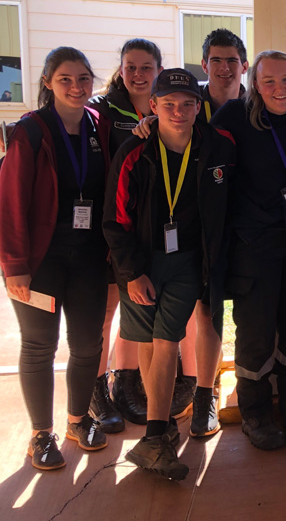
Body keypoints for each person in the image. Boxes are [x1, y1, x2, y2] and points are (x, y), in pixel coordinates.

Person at [103, 69, 234, 480]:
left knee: (166, 339)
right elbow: (115, 220)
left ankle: (157, 435)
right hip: (142, 262)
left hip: (190, 261)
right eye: (169, 104)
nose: (178, 112)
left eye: (188, 104)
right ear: (153, 106)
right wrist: (132, 272)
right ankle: (155, 438)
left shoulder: (219, 146)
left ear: (199, 107)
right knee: (146, 340)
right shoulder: (134, 152)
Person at [0, 47, 112, 470]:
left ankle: (78, 420)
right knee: (39, 346)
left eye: (84, 78)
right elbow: (9, 203)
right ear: (48, 82)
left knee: (87, 345)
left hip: (87, 258)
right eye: (66, 79)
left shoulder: (98, 126)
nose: (76, 87)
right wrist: (14, 266)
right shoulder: (30, 132)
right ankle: (41, 435)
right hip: (40, 258)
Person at [210, 50, 286, 450]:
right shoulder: (232, 117)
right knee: (256, 332)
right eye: (269, 81)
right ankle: (256, 413)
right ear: (254, 83)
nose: (280, 89)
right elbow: (195, 147)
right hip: (254, 246)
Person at [89, 38, 165, 431]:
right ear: (120, 69)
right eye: (130, 67)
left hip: (149, 235)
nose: (138, 75)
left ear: (158, 69)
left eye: (146, 67)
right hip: (111, 230)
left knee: (137, 317)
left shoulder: (166, 107)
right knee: (105, 315)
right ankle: (96, 392)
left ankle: (127, 384)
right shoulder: (102, 111)